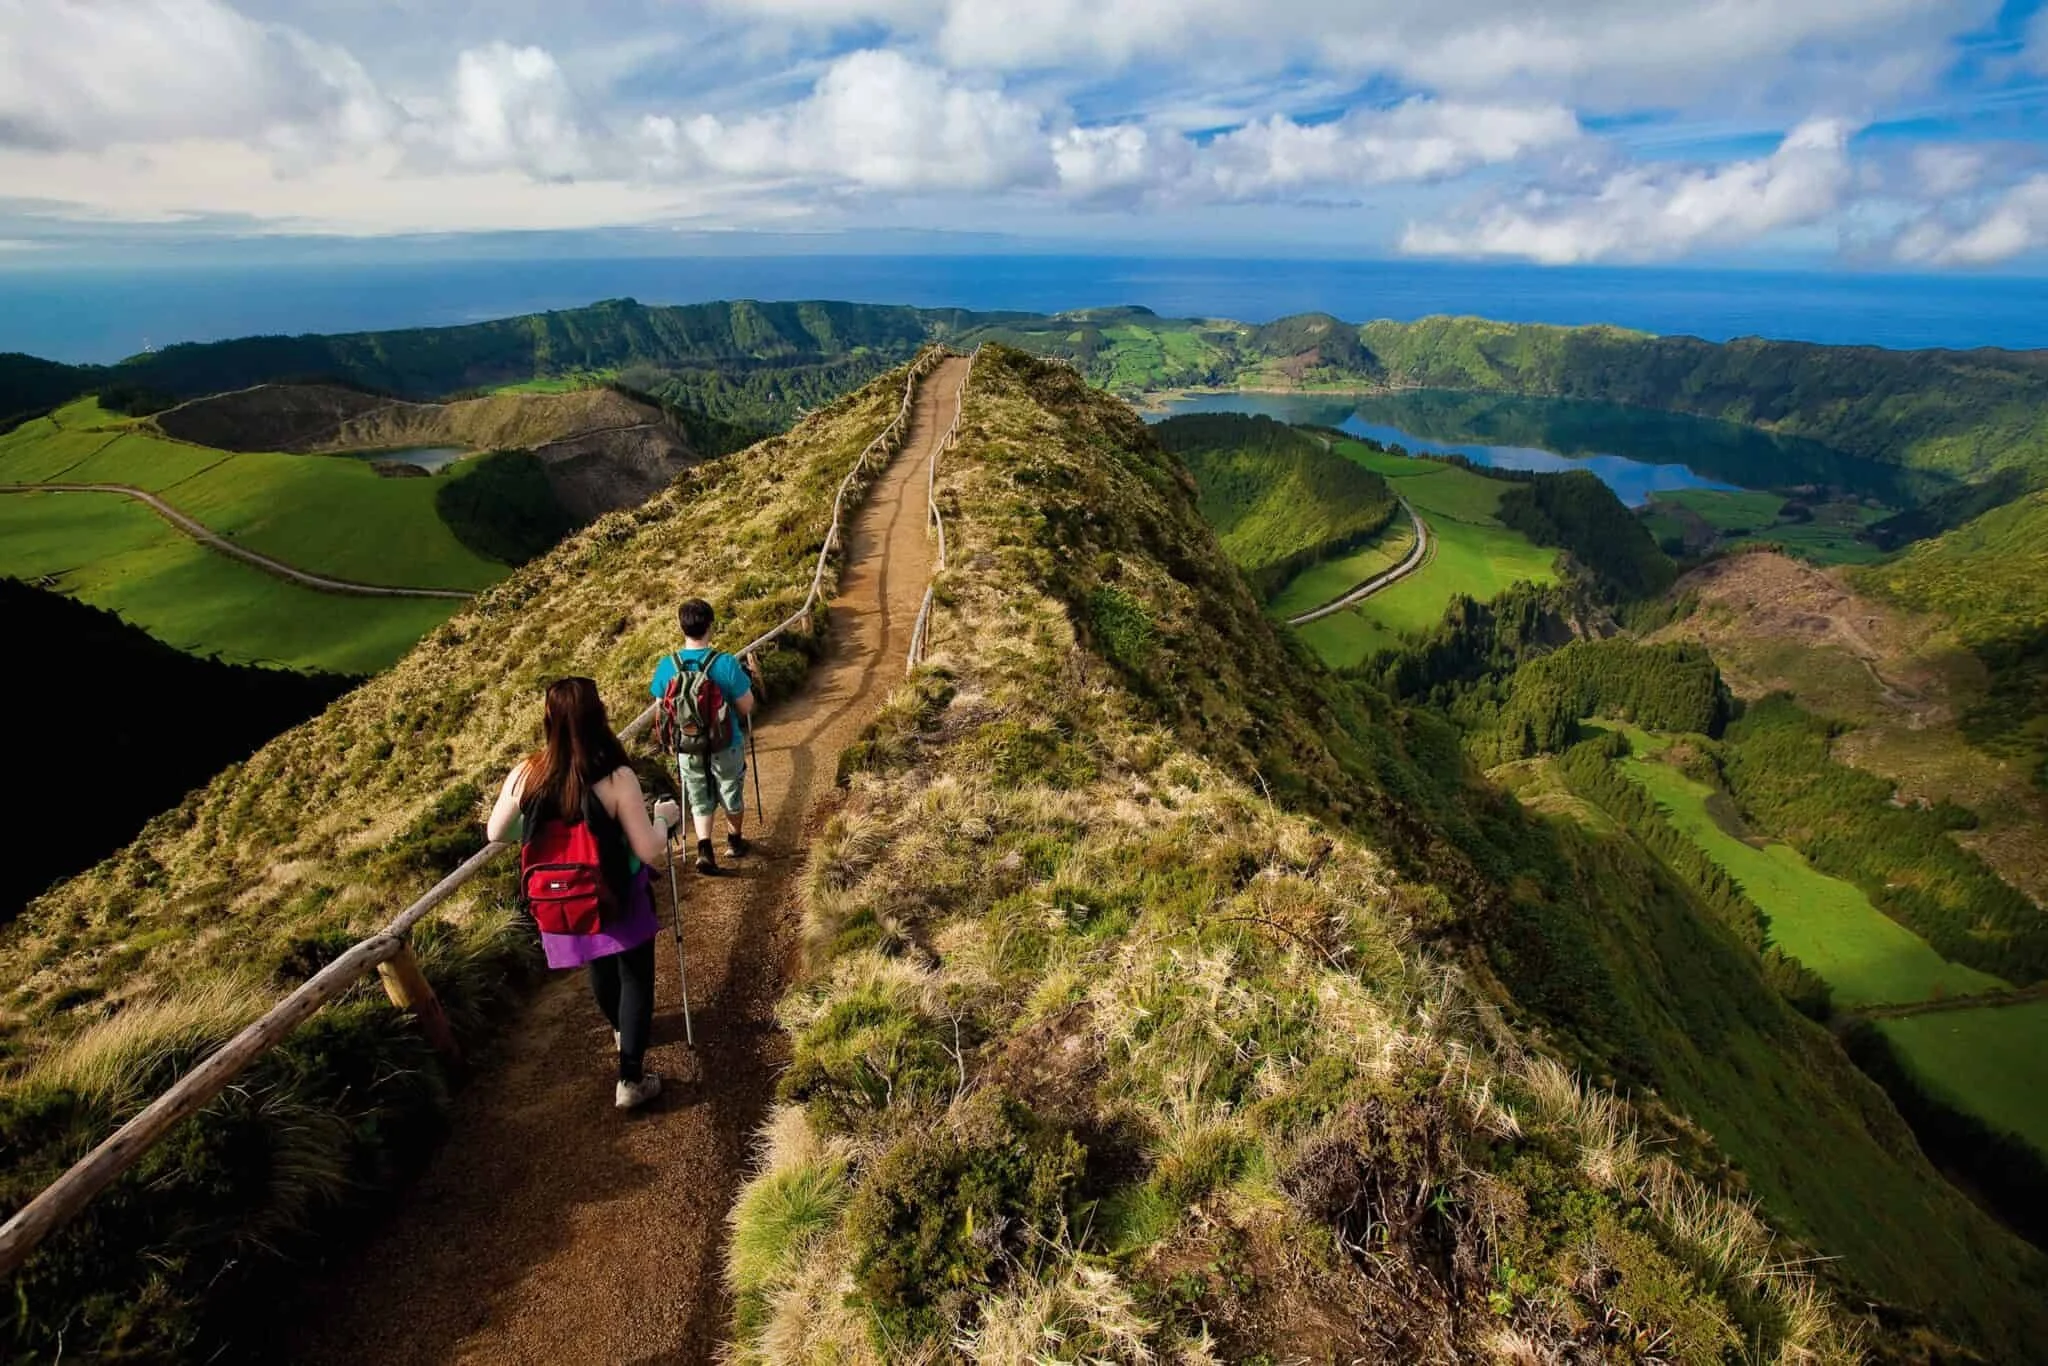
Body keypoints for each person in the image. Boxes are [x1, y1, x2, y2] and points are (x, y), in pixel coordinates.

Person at [487, 676, 680, 1110]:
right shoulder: (615, 776)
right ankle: (630, 1078)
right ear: (599, 715)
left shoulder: (526, 773)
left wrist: (545, 832)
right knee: (635, 975)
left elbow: (494, 832)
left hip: (564, 896)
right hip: (617, 892)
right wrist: (664, 820)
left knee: (600, 963)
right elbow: (650, 852)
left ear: (548, 719)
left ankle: (619, 1032)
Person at [650, 597, 757, 876]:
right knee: (730, 790)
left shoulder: (667, 665)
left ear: (680, 626)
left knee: (699, 796)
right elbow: (746, 707)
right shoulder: (725, 663)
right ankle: (734, 841)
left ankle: (705, 848)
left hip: (687, 746)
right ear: (711, 625)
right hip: (725, 742)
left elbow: (661, 709)